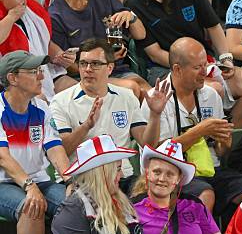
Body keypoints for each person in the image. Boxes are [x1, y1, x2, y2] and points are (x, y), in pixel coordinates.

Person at [127, 0, 242, 127]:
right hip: (167, 68)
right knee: (213, 90)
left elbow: (214, 27)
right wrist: (192, 67)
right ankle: (206, 136)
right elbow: (155, 53)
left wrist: (226, 59)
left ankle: (226, 138)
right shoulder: (134, 4)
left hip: (204, 61)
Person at [140, 37, 242, 217]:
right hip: (173, 174)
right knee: (205, 195)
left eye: (205, 65)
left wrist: (224, 142)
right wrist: (200, 131)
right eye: (197, 67)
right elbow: (157, 153)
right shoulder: (156, 97)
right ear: (177, 69)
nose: (205, 72)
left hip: (211, 169)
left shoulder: (211, 95)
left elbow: (221, 152)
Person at [50, 38, 172, 192]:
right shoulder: (60, 101)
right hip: (82, 179)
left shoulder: (126, 97)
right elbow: (62, 151)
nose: (88, 69)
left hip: (122, 177)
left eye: (95, 64)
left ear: (110, 68)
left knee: (156, 193)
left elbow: (148, 145)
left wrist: (155, 114)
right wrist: (86, 126)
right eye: (83, 63)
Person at [0, 50, 71, 234]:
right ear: (12, 78)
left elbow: (54, 148)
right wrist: (29, 186)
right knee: (31, 206)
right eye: (33, 72)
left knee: (76, 203)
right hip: (3, 182)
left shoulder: (41, 107)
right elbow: (3, 157)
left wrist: (70, 180)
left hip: (39, 180)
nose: (41, 76)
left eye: (40, 71)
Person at [49, 0, 150, 99]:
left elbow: (141, 35)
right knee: (131, 89)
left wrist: (131, 18)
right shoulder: (56, 15)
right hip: (86, 76)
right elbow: (68, 66)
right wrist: (101, 63)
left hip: (116, 69)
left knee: (151, 94)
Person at [0, 0, 76, 100]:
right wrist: (11, 18)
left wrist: (59, 55)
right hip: (11, 82)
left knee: (80, 93)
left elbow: (45, 43)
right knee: (41, 101)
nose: (24, 2)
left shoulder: (32, 8)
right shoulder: (11, 14)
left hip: (43, 73)